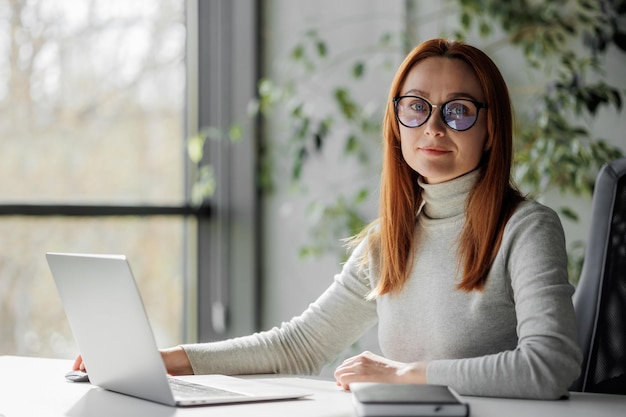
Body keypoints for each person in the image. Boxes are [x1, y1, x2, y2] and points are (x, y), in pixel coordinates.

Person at [74, 38, 582, 399]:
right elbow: (300, 345)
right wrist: (164, 361)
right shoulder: (391, 240)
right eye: (416, 107)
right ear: (396, 124)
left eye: (458, 111)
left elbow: (549, 366)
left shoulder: (526, 229)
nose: (433, 128)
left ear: (490, 129)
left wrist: (406, 374)